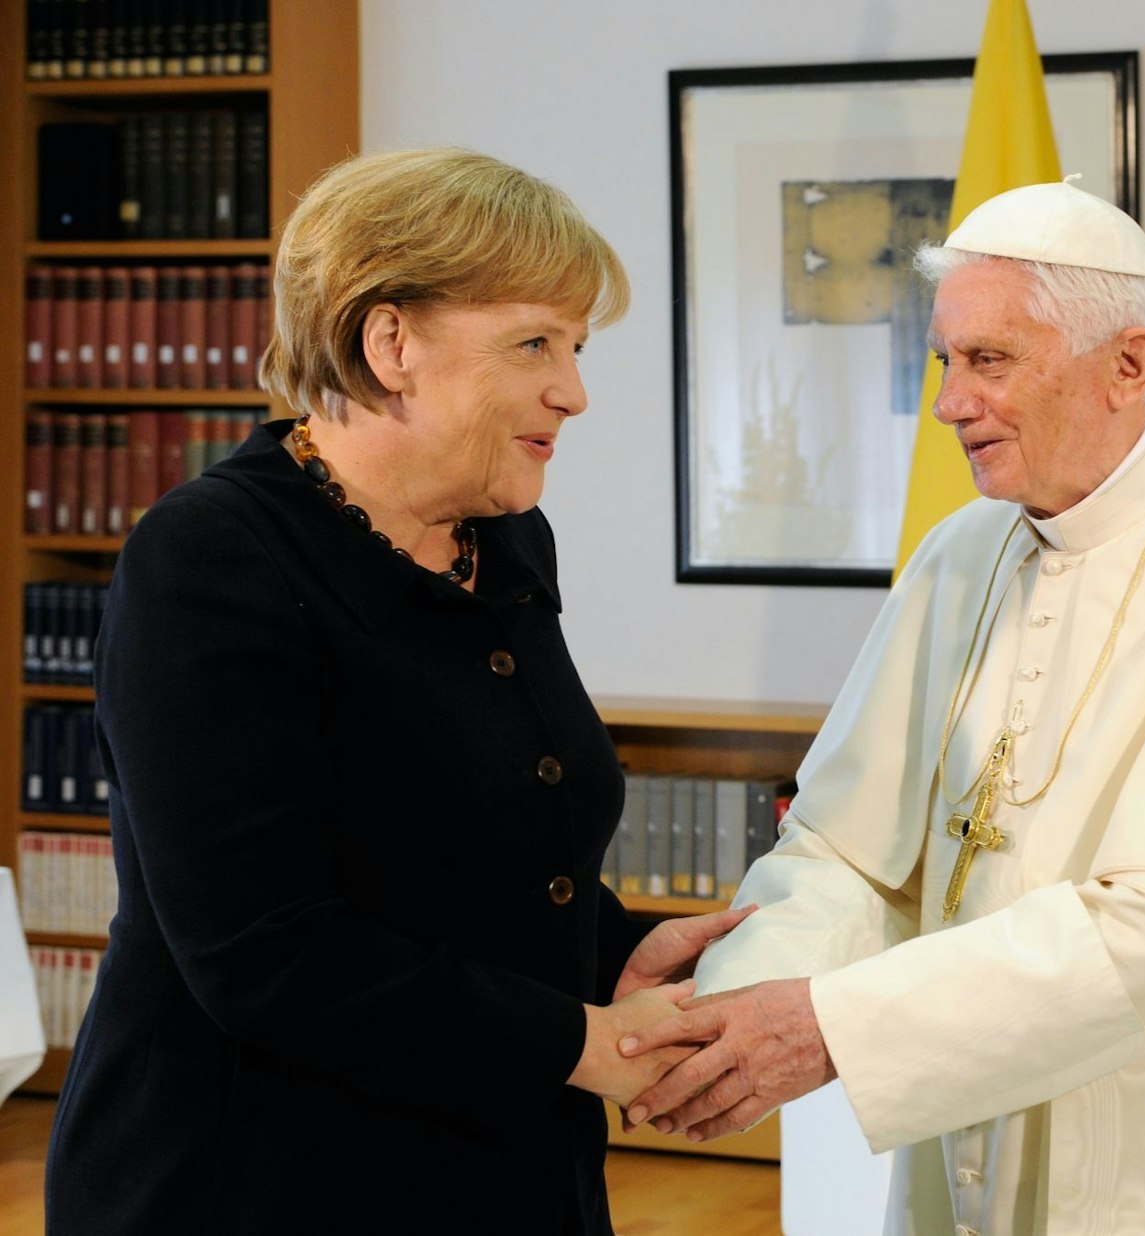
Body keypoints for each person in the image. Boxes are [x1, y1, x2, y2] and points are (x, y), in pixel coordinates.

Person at [619, 181, 1145, 1233]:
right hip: (965, 1139)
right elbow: (846, 854)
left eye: (989, 360)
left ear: (1130, 365)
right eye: (944, 360)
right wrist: (725, 1016)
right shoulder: (958, 554)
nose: (947, 401)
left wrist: (834, 1029)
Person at [44, 148, 741, 1236]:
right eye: (533, 343)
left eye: (575, 345)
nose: (574, 390)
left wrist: (610, 955)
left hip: (503, 1163)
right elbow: (264, 949)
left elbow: (469, 849)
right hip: (253, 1183)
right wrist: (578, 1042)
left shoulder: (506, 538)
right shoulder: (211, 560)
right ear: (390, 342)